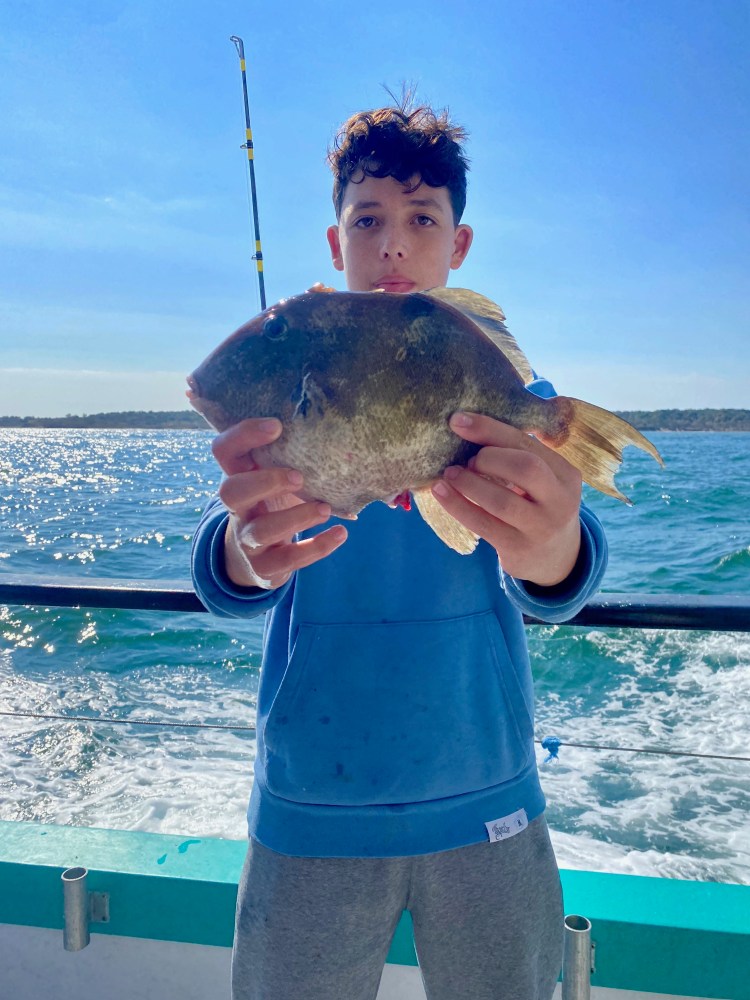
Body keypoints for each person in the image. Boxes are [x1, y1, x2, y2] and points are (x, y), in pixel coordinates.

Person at [192, 100, 607, 1000]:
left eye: (422, 220)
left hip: (487, 790)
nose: (393, 244)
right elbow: (233, 562)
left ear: (458, 248)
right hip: (310, 806)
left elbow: (558, 577)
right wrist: (241, 553)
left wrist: (555, 546)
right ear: (335, 242)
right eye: (367, 219)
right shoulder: (299, 383)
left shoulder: (503, 389)